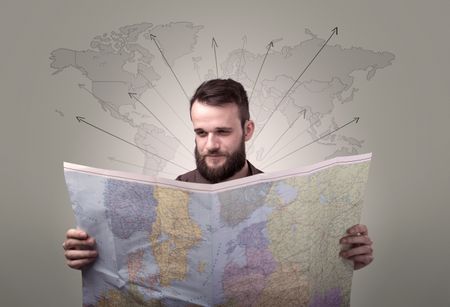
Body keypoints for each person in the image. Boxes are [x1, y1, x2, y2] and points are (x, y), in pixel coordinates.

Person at [63, 78, 374, 271]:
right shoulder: (162, 202)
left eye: (222, 131)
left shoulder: (286, 200)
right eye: (201, 132)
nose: (210, 145)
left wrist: (344, 262)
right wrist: (92, 257)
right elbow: (136, 270)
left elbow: (302, 270)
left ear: (247, 130)